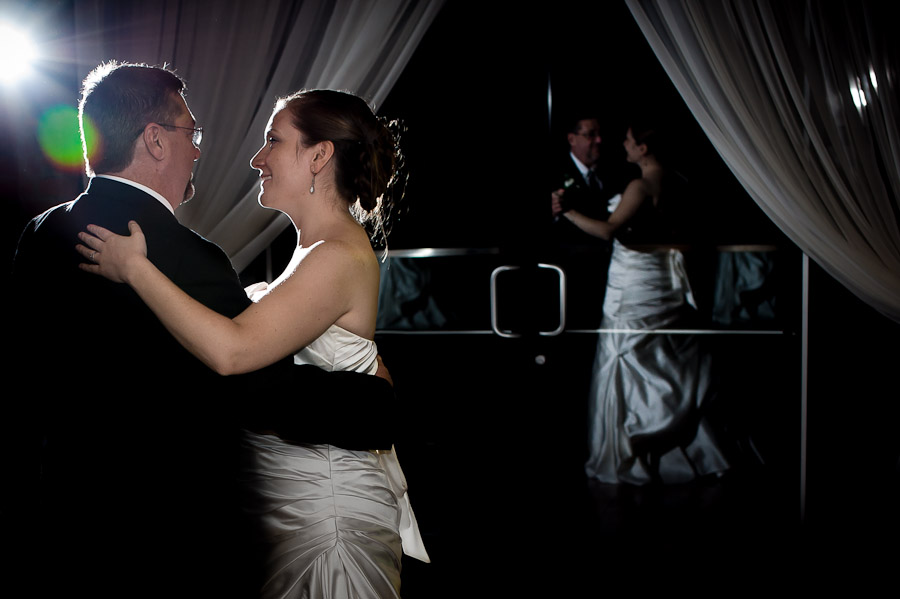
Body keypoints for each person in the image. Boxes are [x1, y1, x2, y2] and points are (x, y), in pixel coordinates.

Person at [8, 63, 397, 599]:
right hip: (168, 539)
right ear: (156, 141)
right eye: (191, 133)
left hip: (60, 522)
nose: (200, 149)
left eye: (272, 142)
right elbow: (254, 382)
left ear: (320, 156)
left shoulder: (42, 232)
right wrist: (374, 402)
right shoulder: (194, 260)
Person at [552, 122, 730, 485]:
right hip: (663, 282)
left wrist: (566, 211)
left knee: (625, 355)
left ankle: (631, 449)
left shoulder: (640, 184)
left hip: (635, 283)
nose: (623, 145)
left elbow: (608, 230)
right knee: (666, 358)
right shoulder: (679, 181)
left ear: (644, 149)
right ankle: (683, 440)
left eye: (629, 141)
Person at [548, 115, 623, 328]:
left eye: (599, 134)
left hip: (606, 273)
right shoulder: (554, 173)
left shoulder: (611, 172)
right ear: (572, 139)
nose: (598, 140)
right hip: (570, 275)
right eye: (591, 135)